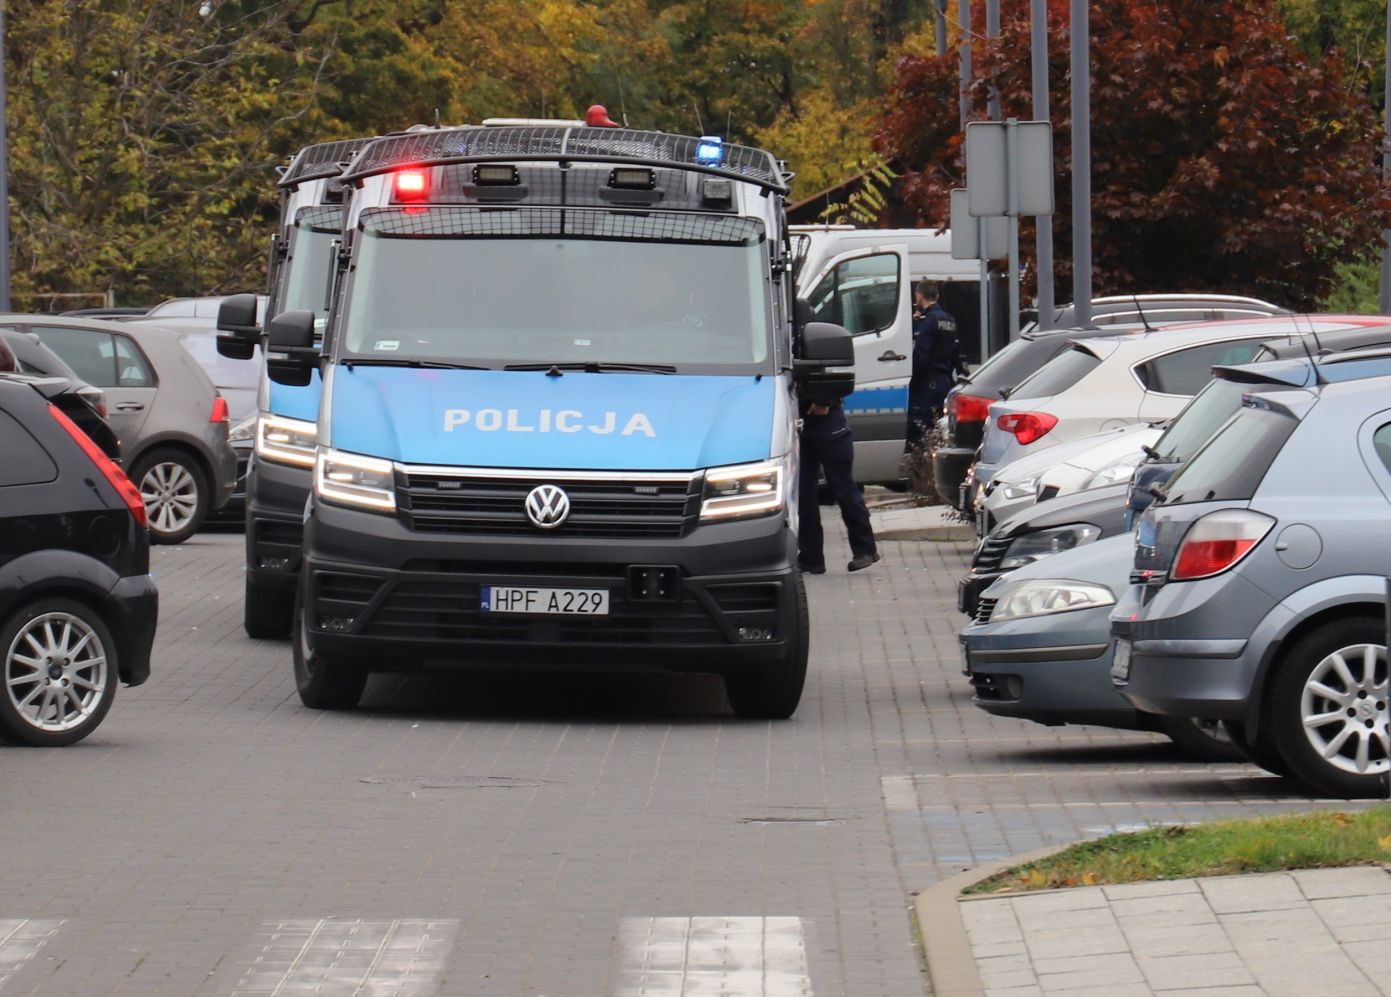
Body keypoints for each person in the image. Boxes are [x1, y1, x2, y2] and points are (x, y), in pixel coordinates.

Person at [797, 395, 880, 574]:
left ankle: (865, 549)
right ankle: (811, 558)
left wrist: (822, 401)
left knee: (843, 488)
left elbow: (831, 371)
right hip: (798, 421)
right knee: (803, 494)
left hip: (826, 421)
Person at [906, 280, 962, 453]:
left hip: (926, 385)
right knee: (940, 431)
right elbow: (955, 352)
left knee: (920, 433)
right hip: (944, 382)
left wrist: (912, 381)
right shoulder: (949, 320)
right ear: (937, 296)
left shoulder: (928, 321)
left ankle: (920, 472)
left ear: (919, 296)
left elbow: (921, 355)